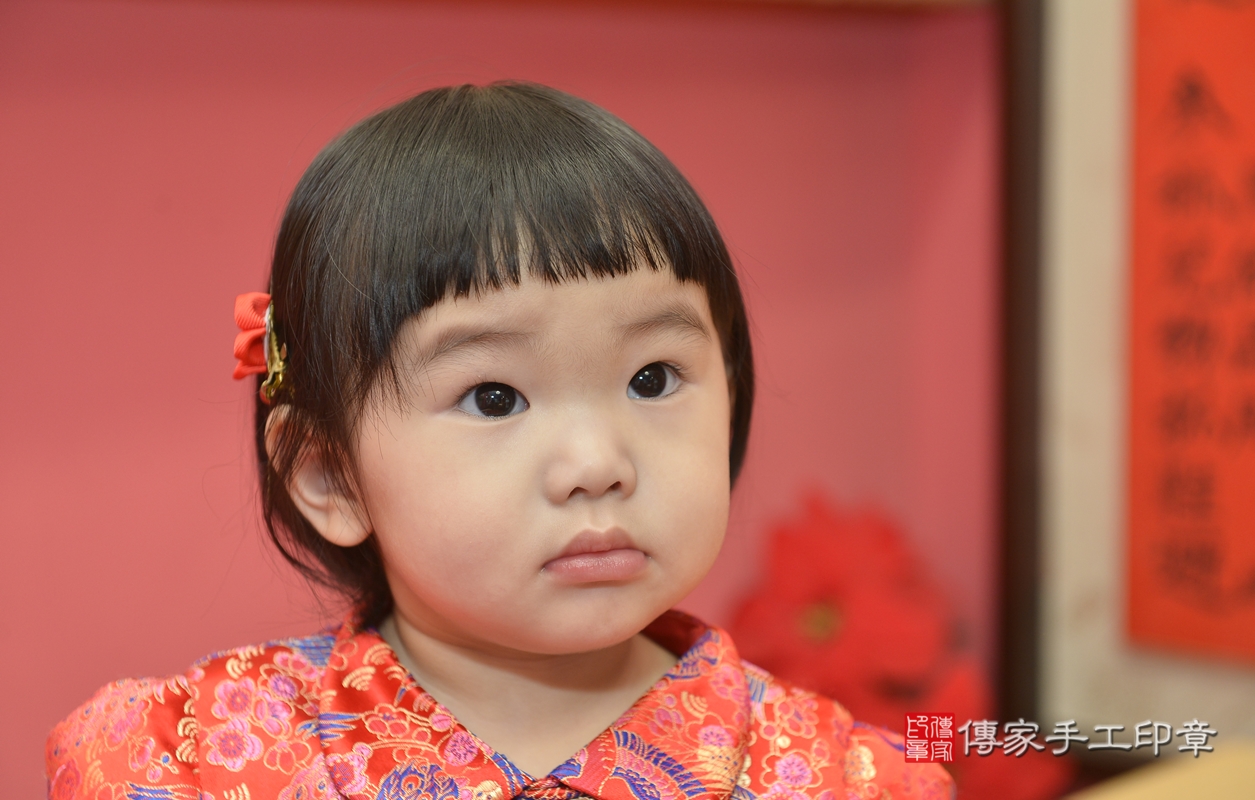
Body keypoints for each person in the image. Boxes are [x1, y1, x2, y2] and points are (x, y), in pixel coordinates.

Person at [45, 82, 954, 800]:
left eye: (651, 379)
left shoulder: (849, 778)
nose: (597, 465)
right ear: (328, 475)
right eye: (493, 397)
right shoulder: (187, 761)